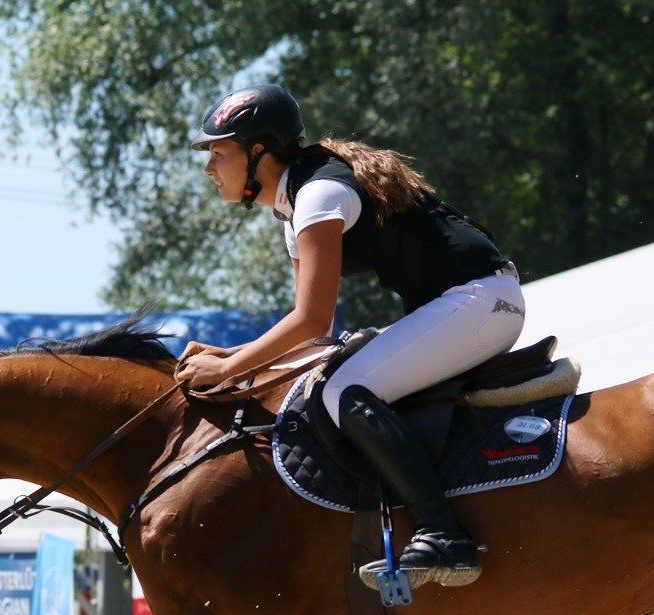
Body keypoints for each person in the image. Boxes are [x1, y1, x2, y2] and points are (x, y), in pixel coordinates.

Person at [174, 84, 526, 588]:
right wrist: (229, 354)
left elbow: (312, 322)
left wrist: (229, 368)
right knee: (337, 375)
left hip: (480, 303)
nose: (209, 168)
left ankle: (443, 534)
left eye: (218, 153)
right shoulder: (294, 207)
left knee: (344, 389)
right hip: (471, 303)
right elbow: (311, 339)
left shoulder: (317, 196)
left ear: (258, 152)